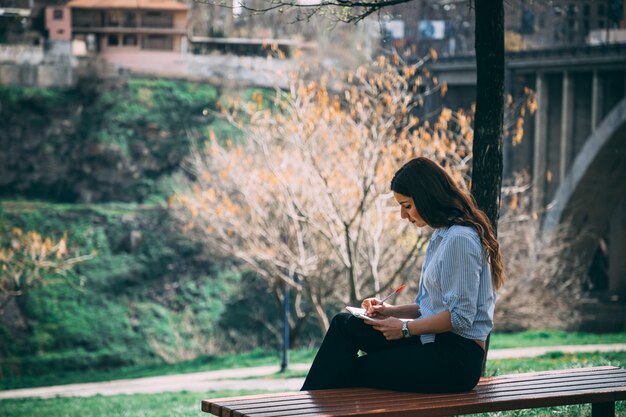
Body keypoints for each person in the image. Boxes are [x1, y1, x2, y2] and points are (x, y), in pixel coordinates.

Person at [301, 157, 505, 393]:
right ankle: (302, 406)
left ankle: (302, 409)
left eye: (406, 205)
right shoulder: (442, 235)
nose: (402, 215)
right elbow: (430, 307)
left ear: (427, 197)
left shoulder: (459, 239)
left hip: (454, 359)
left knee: (349, 370)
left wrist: (405, 329)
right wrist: (390, 312)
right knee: (344, 324)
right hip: (432, 341)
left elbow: (460, 318)